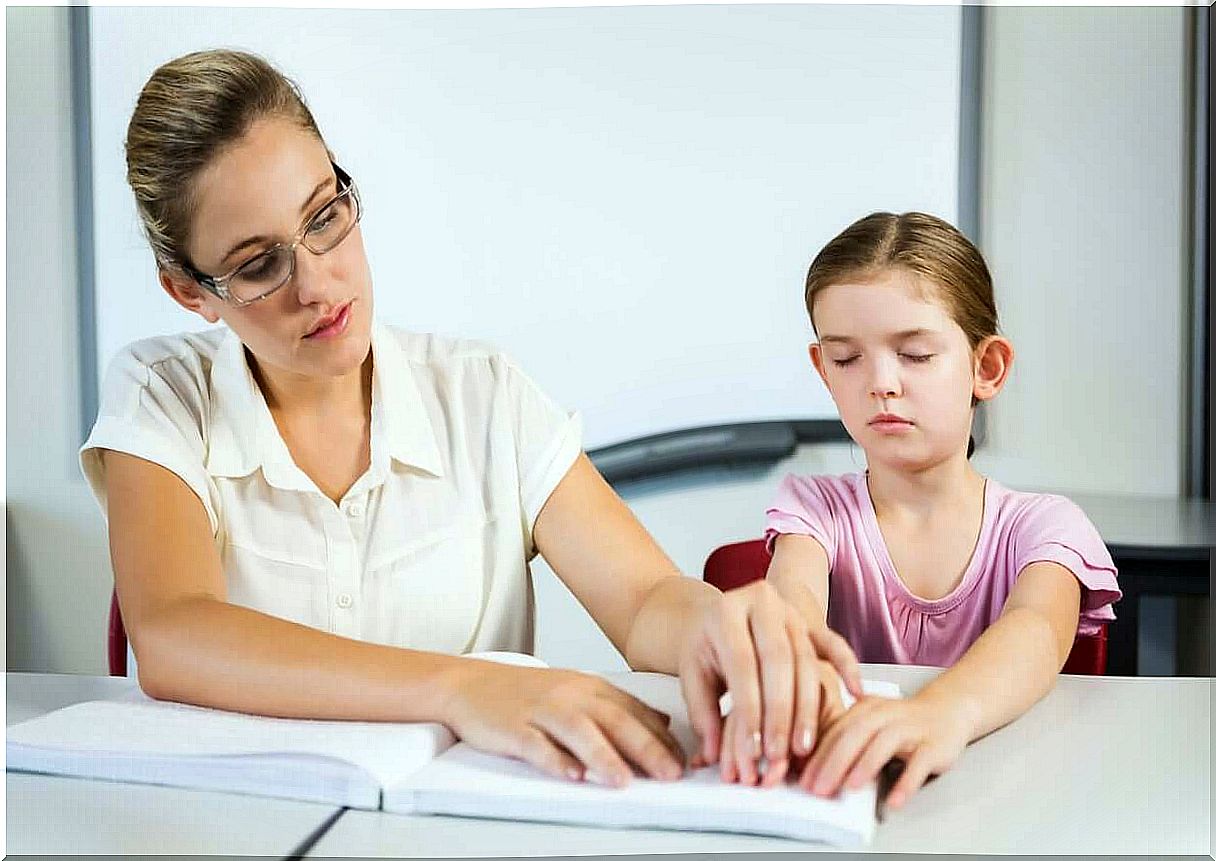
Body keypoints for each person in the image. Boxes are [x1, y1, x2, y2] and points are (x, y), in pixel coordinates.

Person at [80, 48, 858, 789]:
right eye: (257, 265)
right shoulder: (161, 393)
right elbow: (175, 634)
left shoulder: (482, 392)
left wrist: (721, 627)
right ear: (190, 292)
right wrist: (465, 687)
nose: (317, 284)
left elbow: (647, 598)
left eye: (325, 217)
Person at [731, 211, 1121, 805]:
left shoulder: (1046, 526)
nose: (881, 383)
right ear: (822, 370)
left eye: (914, 354)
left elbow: (1036, 628)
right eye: (846, 359)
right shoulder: (812, 509)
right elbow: (795, 603)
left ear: (985, 368)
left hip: (1007, 798)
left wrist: (939, 716)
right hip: (853, 793)